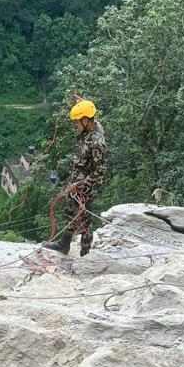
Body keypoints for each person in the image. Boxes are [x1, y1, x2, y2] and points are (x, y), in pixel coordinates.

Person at [44, 99, 108, 257]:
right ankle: (64, 244)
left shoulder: (96, 143)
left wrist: (81, 184)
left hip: (86, 187)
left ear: (86, 121)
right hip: (76, 182)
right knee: (69, 213)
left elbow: (100, 172)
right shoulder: (89, 130)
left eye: (77, 123)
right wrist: (82, 103)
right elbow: (93, 116)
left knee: (84, 220)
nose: (75, 126)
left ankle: (85, 254)